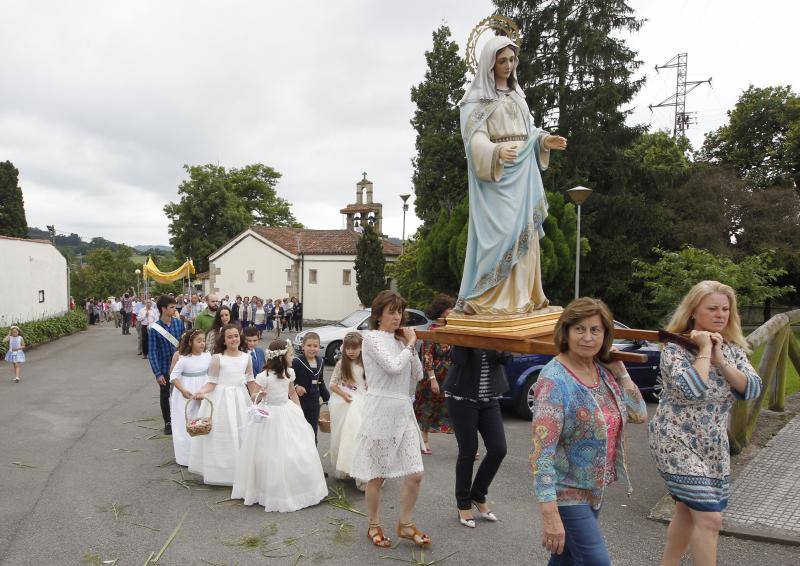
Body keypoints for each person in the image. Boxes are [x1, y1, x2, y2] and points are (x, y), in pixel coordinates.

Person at [649, 281, 762, 566]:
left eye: (725, 309)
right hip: (674, 440)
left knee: (688, 510)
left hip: (712, 443)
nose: (720, 314)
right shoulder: (674, 347)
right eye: (712, 308)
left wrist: (721, 360)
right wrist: (702, 350)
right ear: (693, 311)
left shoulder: (732, 348)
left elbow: (751, 389)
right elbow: (690, 388)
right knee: (710, 517)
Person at [455, 36, 567, 315]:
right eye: (502, 60)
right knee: (503, 233)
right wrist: (494, 152)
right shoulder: (475, 101)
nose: (508, 65)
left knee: (524, 233)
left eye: (512, 60)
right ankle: (490, 297)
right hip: (497, 177)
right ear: (490, 63)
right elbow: (473, 140)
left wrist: (544, 140)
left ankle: (523, 297)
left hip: (524, 171)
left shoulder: (518, 96)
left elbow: (528, 131)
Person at [531, 298, 647, 565]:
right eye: (579, 329)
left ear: (605, 335)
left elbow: (639, 413)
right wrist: (549, 515)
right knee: (596, 561)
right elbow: (541, 454)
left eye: (595, 330)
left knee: (566, 558)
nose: (587, 337)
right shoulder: (553, 381)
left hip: (595, 489)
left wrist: (621, 372)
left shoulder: (602, 372)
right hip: (566, 491)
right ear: (566, 332)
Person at [351, 290, 430, 549]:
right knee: (377, 476)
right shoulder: (371, 338)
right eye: (392, 312)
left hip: (402, 411)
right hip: (380, 410)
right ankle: (374, 523)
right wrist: (408, 345)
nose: (397, 317)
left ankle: (405, 524)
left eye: (400, 312)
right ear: (379, 315)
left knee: (416, 473)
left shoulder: (400, 342)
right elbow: (393, 367)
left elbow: (416, 375)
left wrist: (412, 347)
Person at [232, 339, 329, 512]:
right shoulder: (264, 376)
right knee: (271, 452)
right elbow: (255, 394)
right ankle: (269, 490)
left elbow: (291, 391)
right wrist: (261, 394)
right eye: (291, 354)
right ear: (282, 357)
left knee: (295, 448)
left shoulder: (289, 373)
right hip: (270, 414)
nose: (293, 357)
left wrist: (298, 410)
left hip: (287, 411)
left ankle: (297, 486)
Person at [189, 324, 254, 485]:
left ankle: (240, 471)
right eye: (230, 337)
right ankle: (220, 473)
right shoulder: (218, 358)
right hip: (221, 400)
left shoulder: (247, 357)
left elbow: (251, 381)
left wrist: (259, 396)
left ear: (240, 337)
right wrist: (201, 392)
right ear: (224, 340)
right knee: (222, 435)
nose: (234, 339)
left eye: (236, 336)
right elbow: (211, 382)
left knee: (241, 434)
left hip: (240, 398)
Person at [415, 295, 455, 454]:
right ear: (442, 311)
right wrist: (433, 380)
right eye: (449, 308)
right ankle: (424, 441)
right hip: (432, 378)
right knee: (428, 408)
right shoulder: (432, 331)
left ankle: (466, 444)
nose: (452, 311)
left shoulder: (452, 330)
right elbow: (427, 357)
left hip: (450, 377)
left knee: (454, 410)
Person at [169, 330, 212, 466]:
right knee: (186, 421)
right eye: (198, 341)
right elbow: (173, 376)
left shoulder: (207, 356)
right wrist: (182, 390)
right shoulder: (184, 359)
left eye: (203, 340)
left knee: (203, 420)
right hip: (186, 391)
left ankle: (201, 456)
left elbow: (212, 374)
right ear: (190, 343)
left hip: (202, 389)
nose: (202, 343)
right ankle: (185, 457)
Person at [329, 332, 367, 482]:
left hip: (364, 398)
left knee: (361, 434)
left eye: (355, 348)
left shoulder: (366, 363)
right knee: (346, 435)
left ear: (361, 348)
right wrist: (344, 395)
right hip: (347, 400)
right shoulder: (341, 364)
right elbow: (332, 384)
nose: (351, 352)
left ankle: (361, 469)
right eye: (348, 348)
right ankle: (346, 466)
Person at [147, 295, 186, 435]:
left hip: (179, 367)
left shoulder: (178, 323)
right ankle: (168, 422)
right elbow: (152, 352)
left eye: (175, 307)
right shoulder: (154, 328)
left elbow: (184, 344)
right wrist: (157, 373)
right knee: (165, 394)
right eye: (171, 307)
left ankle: (180, 418)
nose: (174, 309)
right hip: (164, 367)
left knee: (180, 393)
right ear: (163, 309)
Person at [292, 332, 331, 444]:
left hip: (314, 403)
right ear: (303, 346)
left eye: (315, 346)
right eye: (309, 345)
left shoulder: (321, 361)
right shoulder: (296, 362)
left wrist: (328, 399)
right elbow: (289, 378)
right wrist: (296, 386)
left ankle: (312, 453)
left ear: (319, 347)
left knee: (312, 430)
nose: (312, 348)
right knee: (299, 429)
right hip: (299, 402)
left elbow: (321, 381)